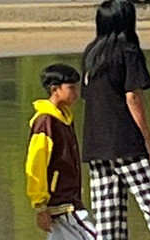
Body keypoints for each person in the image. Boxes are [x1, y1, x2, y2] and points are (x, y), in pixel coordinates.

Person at [81, 0, 150, 240]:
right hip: (126, 142)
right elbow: (132, 97)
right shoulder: (128, 51)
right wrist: (147, 140)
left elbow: (91, 97)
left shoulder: (91, 54)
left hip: (96, 144)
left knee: (107, 217)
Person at [25, 63, 96, 239]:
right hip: (62, 202)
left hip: (67, 201)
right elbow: (36, 164)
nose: (76, 93)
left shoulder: (64, 119)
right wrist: (40, 205)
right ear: (55, 89)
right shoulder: (46, 122)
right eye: (71, 88)